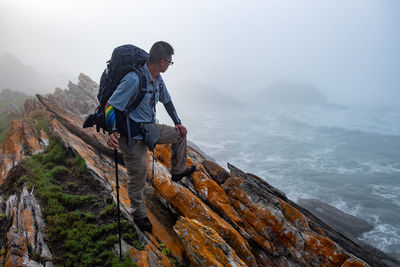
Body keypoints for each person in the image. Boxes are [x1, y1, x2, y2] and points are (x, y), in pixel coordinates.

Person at [105, 41, 196, 232]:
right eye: (170, 62)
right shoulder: (133, 79)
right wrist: (112, 130)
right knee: (138, 175)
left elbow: (168, 101)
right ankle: (138, 214)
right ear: (162, 62)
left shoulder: (158, 79)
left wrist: (177, 122)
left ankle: (178, 171)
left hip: (150, 129)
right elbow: (111, 106)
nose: (170, 65)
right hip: (131, 136)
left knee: (179, 135)